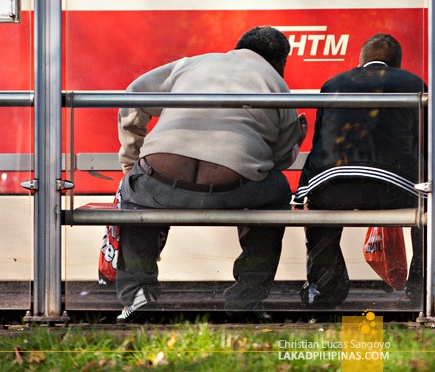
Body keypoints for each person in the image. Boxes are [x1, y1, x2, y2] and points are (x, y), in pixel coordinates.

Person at [116, 26, 308, 323]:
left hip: (160, 179)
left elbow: (134, 96)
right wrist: (295, 140)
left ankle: (139, 293)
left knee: (134, 196)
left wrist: (131, 160)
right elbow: (280, 159)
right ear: (279, 61)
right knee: (277, 192)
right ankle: (246, 298)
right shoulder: (276, 82)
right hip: (234, 187)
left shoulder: (192, 64)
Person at [294, 33, 427, 308]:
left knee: (319, 214)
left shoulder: (333, 84)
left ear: (360, 62)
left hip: (334, 188)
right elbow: (426, 143)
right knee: (428, 211)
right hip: (393, 190)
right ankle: (420, 288)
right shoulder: (413, 83)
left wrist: (303, 192)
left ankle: (325, 290)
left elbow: (320, 143)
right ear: (397, 65)